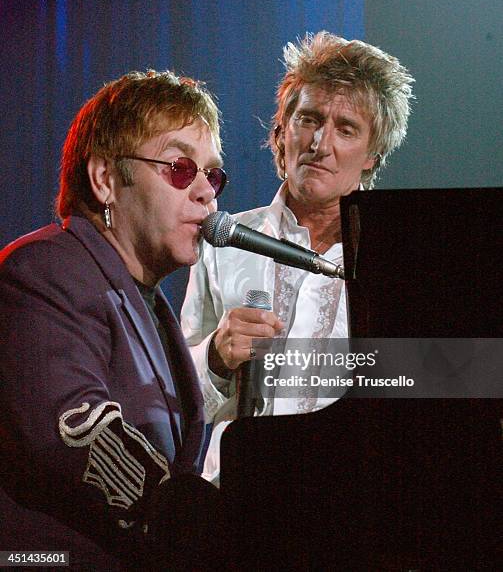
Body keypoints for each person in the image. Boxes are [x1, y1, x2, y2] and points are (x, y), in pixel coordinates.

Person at [0, 70, 230, 568]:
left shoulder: (142, 298)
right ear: (105, 179)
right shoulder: (46, 271)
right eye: (180, 168)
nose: (207, 194)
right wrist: (203, 522)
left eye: (212, 175)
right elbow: (74, 432)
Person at [181, 31, 415, 483]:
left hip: (355, 502)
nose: (320, 144)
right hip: (238, 496)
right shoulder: (220, 240)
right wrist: (215, 356)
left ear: (373, 154)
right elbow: (168, 391)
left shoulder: (405, 260)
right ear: (280, 133)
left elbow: (445, 383)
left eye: (346, 129)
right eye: (309, 120)